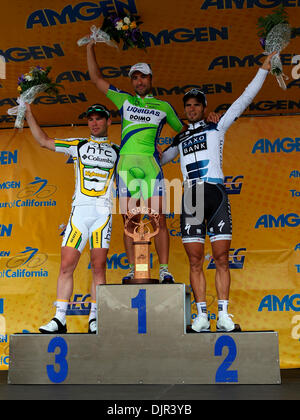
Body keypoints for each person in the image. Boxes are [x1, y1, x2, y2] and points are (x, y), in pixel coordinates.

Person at [161, 52, 276, 332]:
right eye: (187, 105)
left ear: (204, 107)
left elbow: (244, 99)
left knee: (222, 258)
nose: (191, 109)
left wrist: (264, 67)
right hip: (191, 198)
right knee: (195, 259)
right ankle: (201, 316)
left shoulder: (218, 125)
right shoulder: (180, 137)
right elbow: (158, 160)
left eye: (196, 104)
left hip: (215, 195)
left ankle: (223, 315)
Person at [86, 42, 185, 284]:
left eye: (143, 77)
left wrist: (168, 150)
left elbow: (184, 133)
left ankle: (164, 269)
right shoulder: (125, 101)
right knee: (129, 220)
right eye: (135, 78)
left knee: (157, 218)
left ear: (151, 78)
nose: (139, 82)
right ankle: (133, 269)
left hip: (151, 166)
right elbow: (95, 78)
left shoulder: (163, 107)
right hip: (126, 167)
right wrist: (90, 47)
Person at [25, 103, 119, 334]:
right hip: (80, 212)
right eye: (91, 119)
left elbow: (144, 162)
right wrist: (28, 113)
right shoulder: (78, 144)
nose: (94, 123)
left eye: (99, 118)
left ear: (108, 122)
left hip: (103, 214)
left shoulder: (119, 150)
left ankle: (95, 318)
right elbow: (44, 141)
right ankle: (59, 319)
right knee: (67, 265)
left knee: (99, 267)